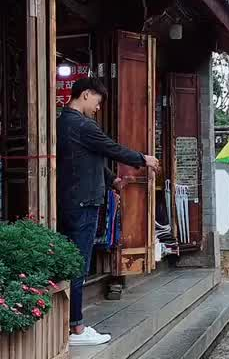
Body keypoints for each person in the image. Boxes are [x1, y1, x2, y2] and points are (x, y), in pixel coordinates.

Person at [57, 78, 159, 346]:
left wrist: (112, 179)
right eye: (98, 102)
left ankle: (68, 323)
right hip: (83, 202)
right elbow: (109, 147)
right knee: (78, 263)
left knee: (72, 262)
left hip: (72, 200)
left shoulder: (65, 123)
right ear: (87, 94)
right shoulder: (82, 124)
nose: (98, 108)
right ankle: (76, 329)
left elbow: (91, 157)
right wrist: (142, 159)